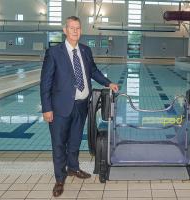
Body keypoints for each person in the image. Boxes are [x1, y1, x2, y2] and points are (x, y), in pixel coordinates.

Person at [40, 16, 118, 197]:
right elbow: (45, 83)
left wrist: (108, 83)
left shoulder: (85, 50)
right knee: (59, 144)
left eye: (78, 28)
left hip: (82, 105)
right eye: (72, 28)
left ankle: (73, 168)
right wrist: (47, 108)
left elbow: (93, 71)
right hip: (60, 107)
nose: (75, 31)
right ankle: (60, 179)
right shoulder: (54, 53)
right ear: (65, 30)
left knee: (75, 141)